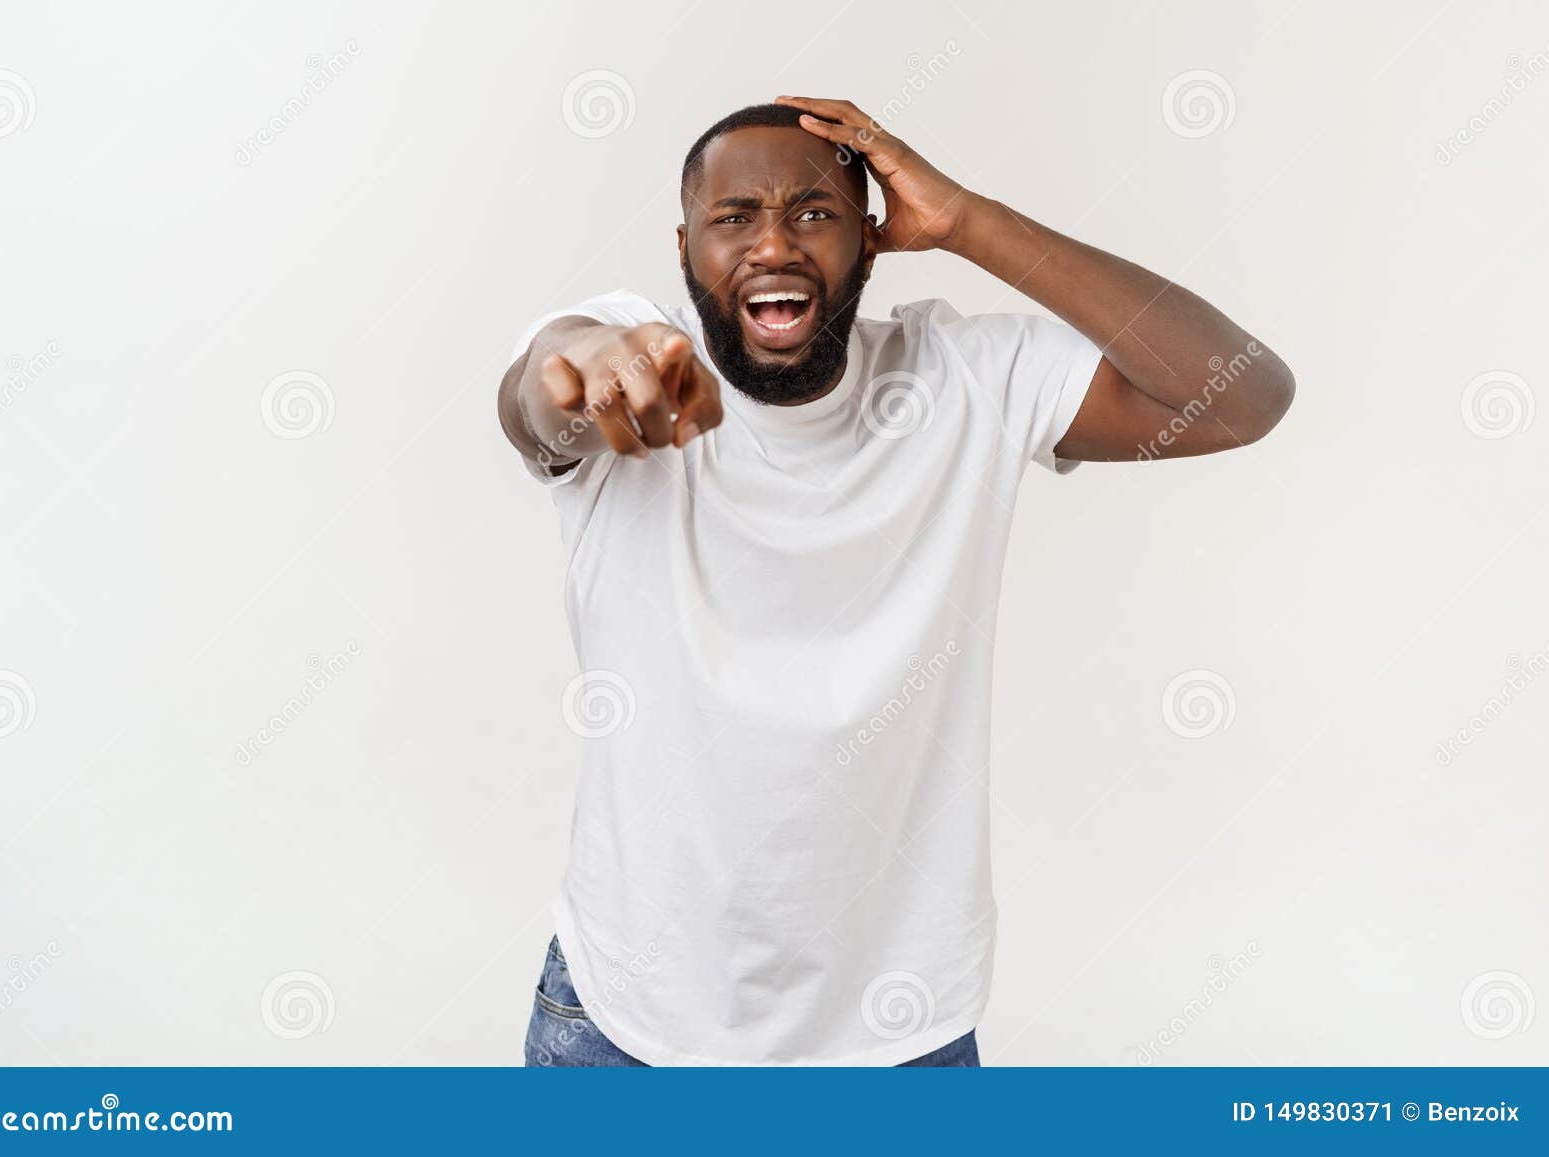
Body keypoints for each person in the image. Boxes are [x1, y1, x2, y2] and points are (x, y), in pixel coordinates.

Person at [497, 97, 1294, 1066]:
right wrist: (579, 361)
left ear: (871, 240)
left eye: (815, 212)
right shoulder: (636, 354)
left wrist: (967, 221)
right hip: (625, 1022)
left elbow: (1240, 393)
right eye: (734, 216)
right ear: (684, 245)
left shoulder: (967, 376)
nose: (774, 243)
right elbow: (547, 394)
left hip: (898, 1027)